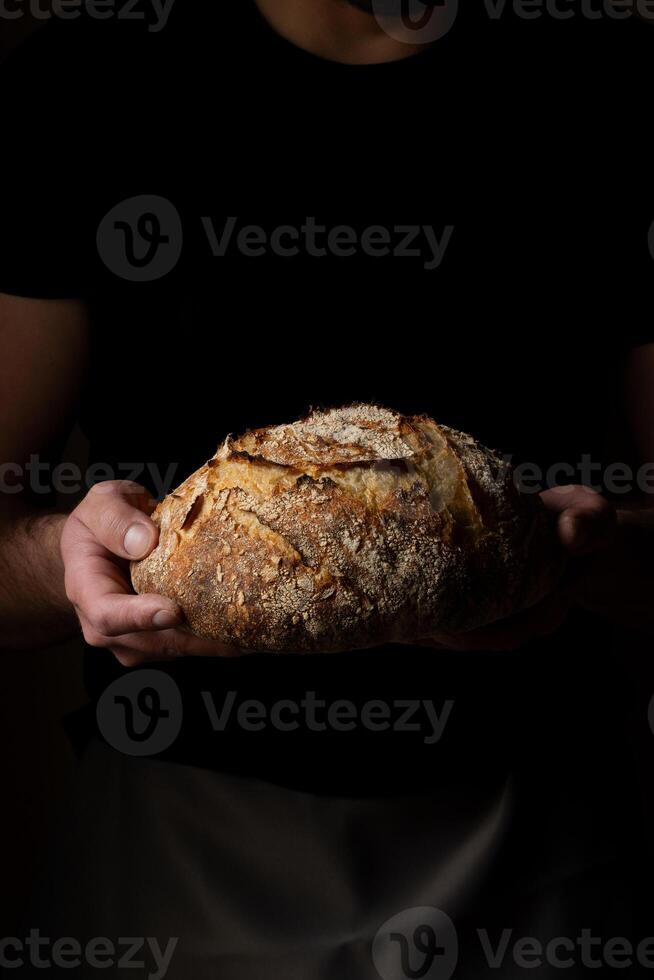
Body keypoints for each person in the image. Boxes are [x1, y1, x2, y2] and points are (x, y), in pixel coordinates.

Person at [1, 1, 653, 976]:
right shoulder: (94, 80)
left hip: (541, 842)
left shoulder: (612, 77)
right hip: (183, 857)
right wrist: (72, 566)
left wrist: (577, 561)